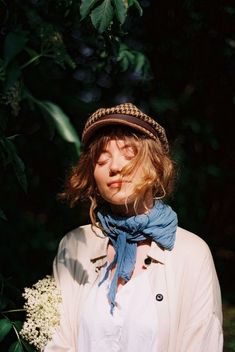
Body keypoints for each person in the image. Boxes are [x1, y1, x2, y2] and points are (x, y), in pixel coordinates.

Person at [44, 103, 223, 352]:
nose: (115, 167)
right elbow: (56, 342)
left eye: (129, 154)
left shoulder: (192, 253)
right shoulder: (74, 246)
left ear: (157, 166)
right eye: (102, 159)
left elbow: (203, 344)